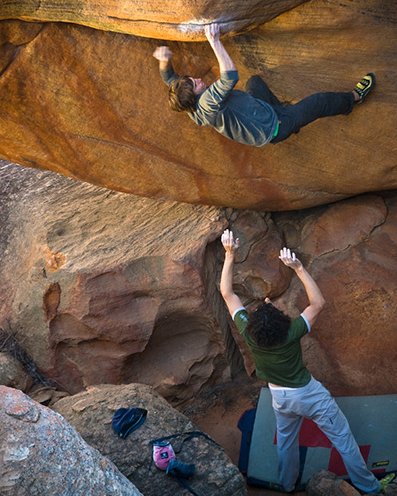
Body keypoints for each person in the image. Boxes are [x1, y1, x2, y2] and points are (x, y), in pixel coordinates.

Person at [219, 229, 390, 493]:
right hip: (308, 394)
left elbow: (227, 293)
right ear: (281, 323)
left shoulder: (248, 332)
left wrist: (229, 254)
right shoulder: (291, 332)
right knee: (342, 439)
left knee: (287, 442)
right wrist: (298, 267)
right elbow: (318, 302)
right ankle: (370, 488)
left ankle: (287, 485)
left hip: (280, 397)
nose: (268, 302)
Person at [153, 23, 376, 147]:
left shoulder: (188, 105)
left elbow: (169, 79)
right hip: (274, 127)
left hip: (261, 111)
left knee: (255, 82)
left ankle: (288, 116)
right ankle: (355, 98)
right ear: (196, 96)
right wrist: (215, 41)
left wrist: (164, 59)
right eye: (195, 84)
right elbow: (230, 76)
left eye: (192, 79)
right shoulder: (209, 103)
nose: (198, 79)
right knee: (318, 103)